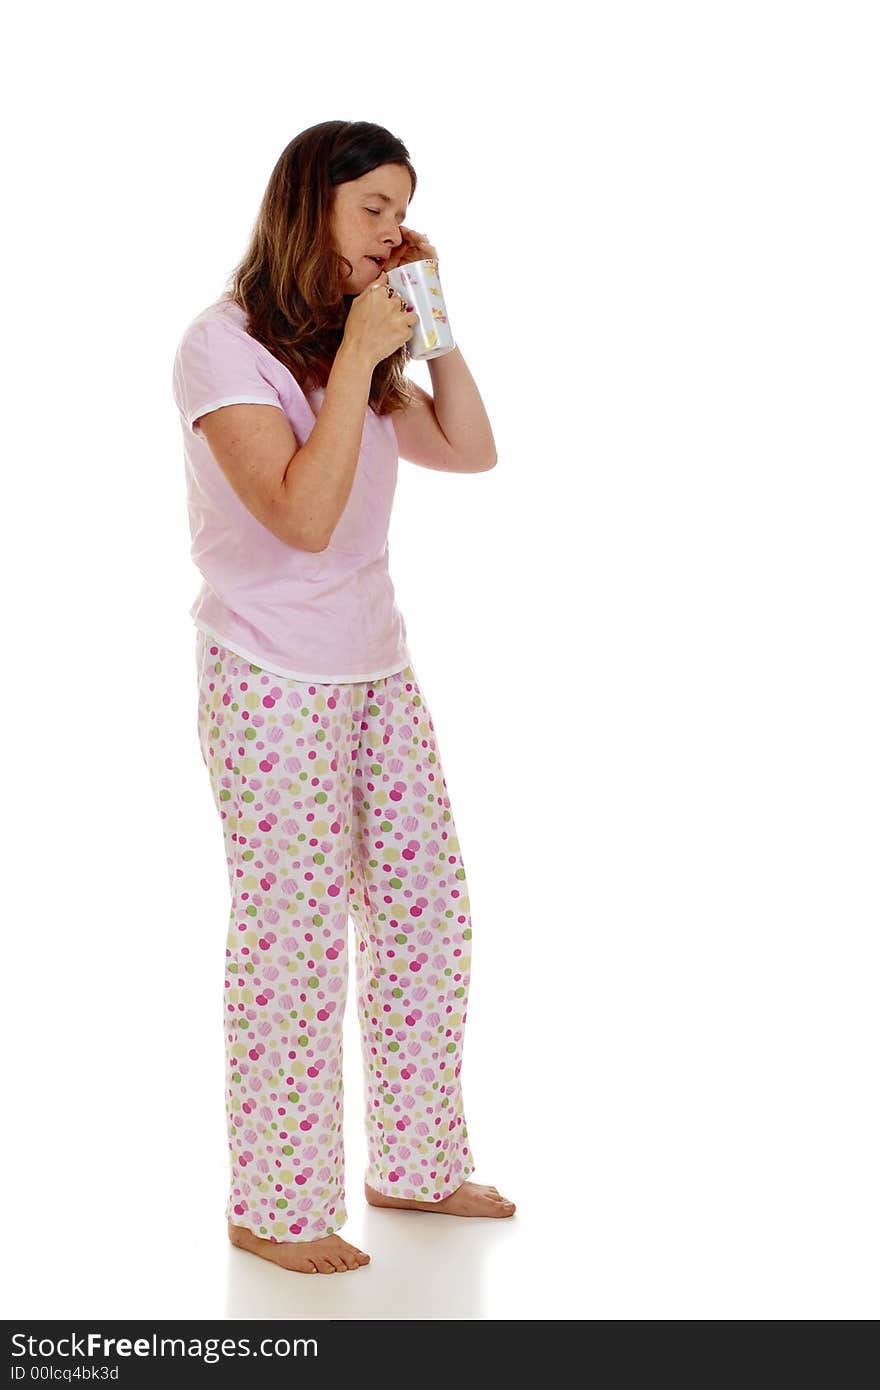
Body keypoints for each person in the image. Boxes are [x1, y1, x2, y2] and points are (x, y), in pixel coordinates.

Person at [171, 120, 515, 1276]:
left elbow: (472, 452)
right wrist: (366, 354)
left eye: (400, 208)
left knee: (428, 914)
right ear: (308, 205)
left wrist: (431, 318)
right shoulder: (223, 349)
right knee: (293, 940)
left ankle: (410, 1166)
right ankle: (271, 1204)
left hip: (377, 667)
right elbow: (300, 516)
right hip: (269, 674)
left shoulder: (348, 345)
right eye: (371, 207)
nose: (389, 228)